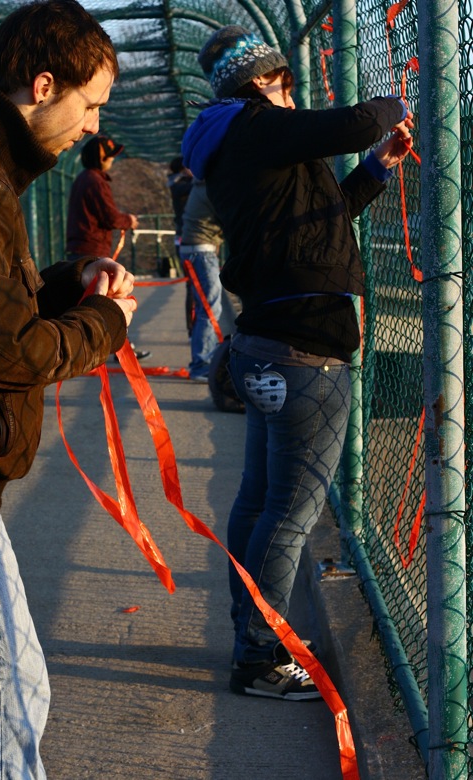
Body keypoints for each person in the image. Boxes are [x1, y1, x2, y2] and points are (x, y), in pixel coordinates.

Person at [182, 25, 413, 700]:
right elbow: (358, 119)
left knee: (260, 502)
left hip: (270, 344)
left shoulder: (245, 145)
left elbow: (322, 220)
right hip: (305, 354)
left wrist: (375, 170)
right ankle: (258, 657)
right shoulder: (254, 127)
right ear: (262, 80)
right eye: (285, 81)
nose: (291, 95)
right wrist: (396, 103)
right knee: (289, 514)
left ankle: (255, 635)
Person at [0, 2, 138, 776]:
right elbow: (1, 347)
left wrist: (70, 284)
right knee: (9, 682)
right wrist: (105, 323)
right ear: (42, 85)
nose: (92, 125)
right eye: (91, 103)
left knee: (1, 677)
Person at [66, 134, 150, 361]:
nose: (112, 160)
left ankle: (95, 348)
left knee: (86, 300)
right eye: (109, 156)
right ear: (99, 158)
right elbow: (109, 216)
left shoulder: (86, 178)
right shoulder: (95, 180)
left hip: (83, 246)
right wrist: (128, 221)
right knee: (105, 299)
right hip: (91, 248)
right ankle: (119, 349)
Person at [180, 178, 223, 381]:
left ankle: (203, 360)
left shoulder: (202, 185)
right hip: (201, 251)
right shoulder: (213, 187)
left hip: (196, 250)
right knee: (210, 308)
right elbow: (230, 216)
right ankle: (202, 364)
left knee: (205, 306)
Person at [167, 156, 194, 334]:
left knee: (193, 284)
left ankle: (194, 326)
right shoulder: (180, 185)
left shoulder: (179, 183)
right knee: (193, 284)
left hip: (186, 238)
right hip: (186, 238)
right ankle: (193, 327)